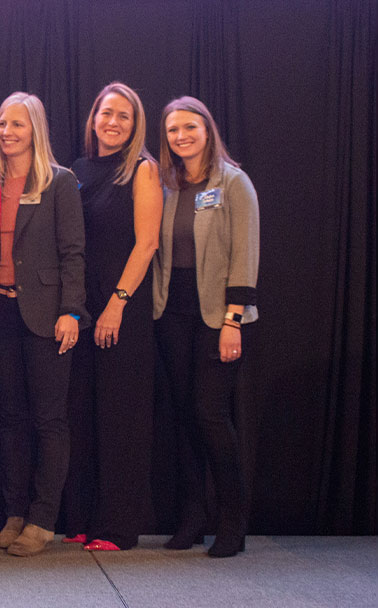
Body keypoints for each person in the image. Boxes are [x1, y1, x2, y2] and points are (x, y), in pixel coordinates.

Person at [153, 96, 259, 558]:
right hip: (171, 315)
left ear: (207, 130)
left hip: (219, 317)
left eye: (190, 127)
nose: (181, 136)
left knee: (210, 415)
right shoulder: (167, 185)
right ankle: (193, 519)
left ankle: (233, 522)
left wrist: (233, 320)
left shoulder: (233, 183)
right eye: (174, 130)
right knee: (182, 420)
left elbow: (245, 253)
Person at [63, 82, 161, 551]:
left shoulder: (142, 170)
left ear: (134, 124)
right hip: (82, 309)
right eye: (107, 113)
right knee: (82, 415)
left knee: (120, 418)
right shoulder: (78, 169)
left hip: (121, 309)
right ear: (94, 118)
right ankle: (84, 518)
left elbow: (147, 244)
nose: (113, 122)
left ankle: (120, 527)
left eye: (124, 116)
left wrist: (116, 305)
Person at [0, 93, 88, 556]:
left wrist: (72, 312)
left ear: (36, 131)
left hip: (48, 315)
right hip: (0, 313)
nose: (7, 132)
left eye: (18, 125)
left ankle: (43, 519)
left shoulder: (60, 182)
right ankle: (14, 513)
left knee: (49, 420)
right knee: (10, 420)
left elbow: (73, 254)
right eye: (3, 123)